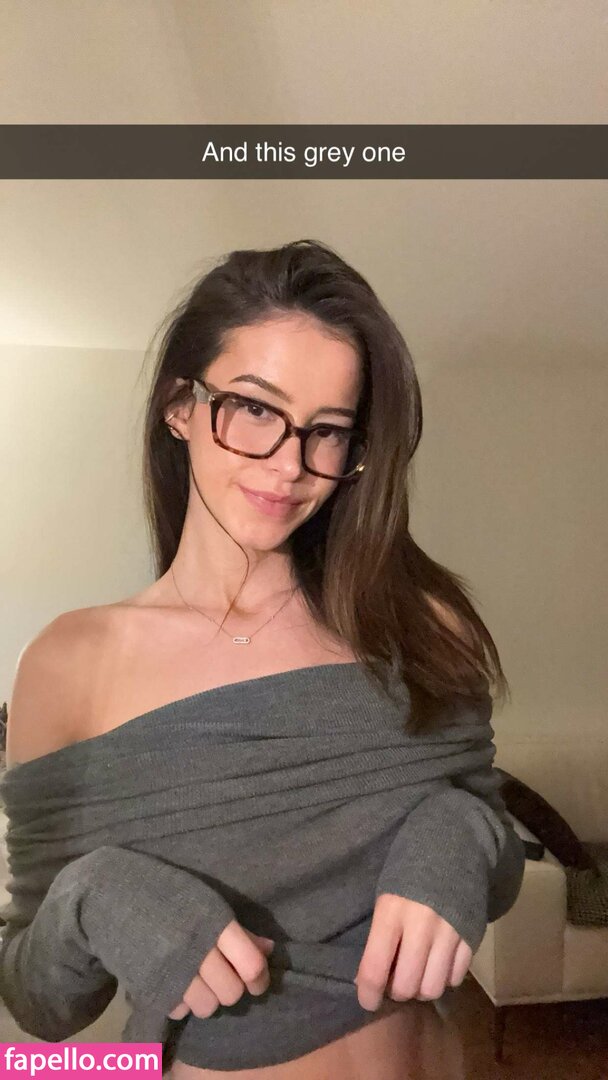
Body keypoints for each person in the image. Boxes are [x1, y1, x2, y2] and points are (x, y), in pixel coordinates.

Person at [1, 239, 524, 1079]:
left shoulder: (421, 624)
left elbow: (492, 860)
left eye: (329, 431)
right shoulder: (69, 666)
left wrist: (459, 831)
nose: (288, 465)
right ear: (180, 405)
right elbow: (39, 1002)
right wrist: (91, 897)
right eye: (254, 408)